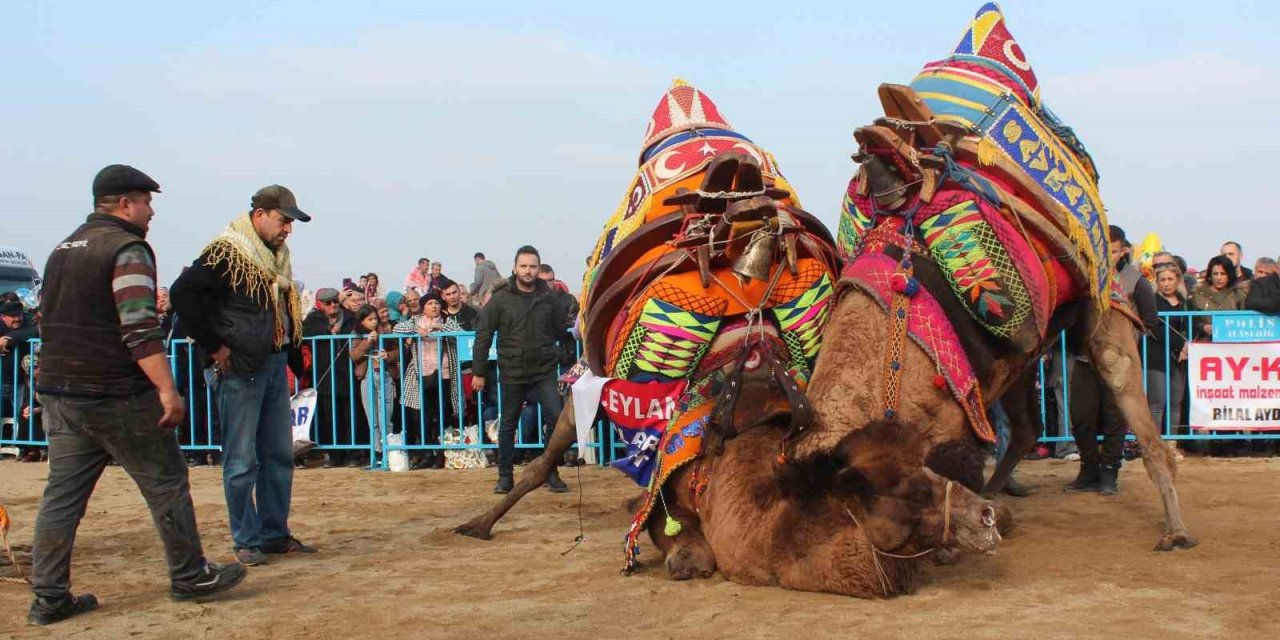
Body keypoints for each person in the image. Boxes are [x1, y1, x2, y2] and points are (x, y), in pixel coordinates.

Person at [28, 165, 246, 625]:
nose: (152, 212)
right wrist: (167, 388)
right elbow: (139, 328)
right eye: (147, 202)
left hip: (61, 390)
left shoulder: (62, 249)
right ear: (125, 204)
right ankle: (190, 575)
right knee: (166, 481)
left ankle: (48, 597)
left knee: (62, 497)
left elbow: (48, 319)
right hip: (115, 392)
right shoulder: (127, 248)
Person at [170, 184, 317, 567]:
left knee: (279, 455)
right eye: (284, 220)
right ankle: (247, 539)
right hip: (239, 367)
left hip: (271, 362)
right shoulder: (227, 252)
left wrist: (294, 358)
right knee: (241, 459)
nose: (288, 229)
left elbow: (281, 314)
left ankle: (274, 534)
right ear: (259, 215)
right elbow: (182, 294)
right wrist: (215, 346)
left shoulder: (275, 260)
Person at [471, 245, 573, 494]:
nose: (528, 271)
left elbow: (562, 331)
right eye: (523, 266)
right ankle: (505, 476)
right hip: (512, 370)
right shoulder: (501, 298)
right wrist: (479, 372)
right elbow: (484, 335)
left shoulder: (549, 298)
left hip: (544, 370)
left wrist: (565, 358)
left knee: (555, 418)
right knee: (508, 424)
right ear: (515, 268)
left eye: (532, 266)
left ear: (538, 269)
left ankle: (550, 472)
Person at [302, 287, 368, 468]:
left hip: (348, 375)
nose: (333, 305)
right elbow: (305, 333)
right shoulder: (314, 319)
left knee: (351, 416)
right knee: (329, 417)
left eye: (335, 302)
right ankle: (334, 454)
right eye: (328, 303)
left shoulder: (351, 318)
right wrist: (328, 329)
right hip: (325, 376)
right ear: (321, 304)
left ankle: (354, 453)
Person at [349, 304, 398, 457]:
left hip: (385, 375)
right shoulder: (356, 335)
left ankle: (388, 451)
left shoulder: (386, 332)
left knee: (386, 417)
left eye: (375, 318)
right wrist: (367, 342)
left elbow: (398, 351)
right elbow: (354, 356)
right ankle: (377, 451)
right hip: (367, 377)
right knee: (373, 418)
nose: (374, 322)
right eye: (370, 319)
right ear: (362, 321)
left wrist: (388, 355)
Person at [1190, 255, 1247, 341]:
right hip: (1205, 343)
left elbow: (1246, 320)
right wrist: (1203, 327)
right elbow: (1191, 321)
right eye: (1215, 274)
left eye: (1223, 274)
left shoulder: (1238, 294)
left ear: (1229, 275)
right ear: (1210, 275)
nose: (1219, 278)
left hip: (1232, 342)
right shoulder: (1197, 295)